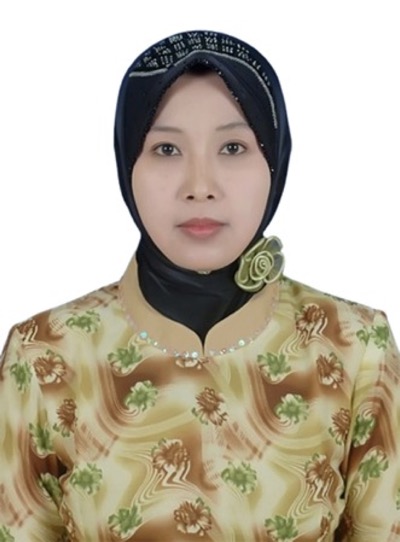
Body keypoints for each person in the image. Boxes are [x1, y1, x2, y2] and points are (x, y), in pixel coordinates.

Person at [0, 30, 399, 542]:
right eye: (166, 148)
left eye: (233, 147)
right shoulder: (46, 356)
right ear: (128, 163)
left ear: (274, 161)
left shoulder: (353, 347)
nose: (200, 186)